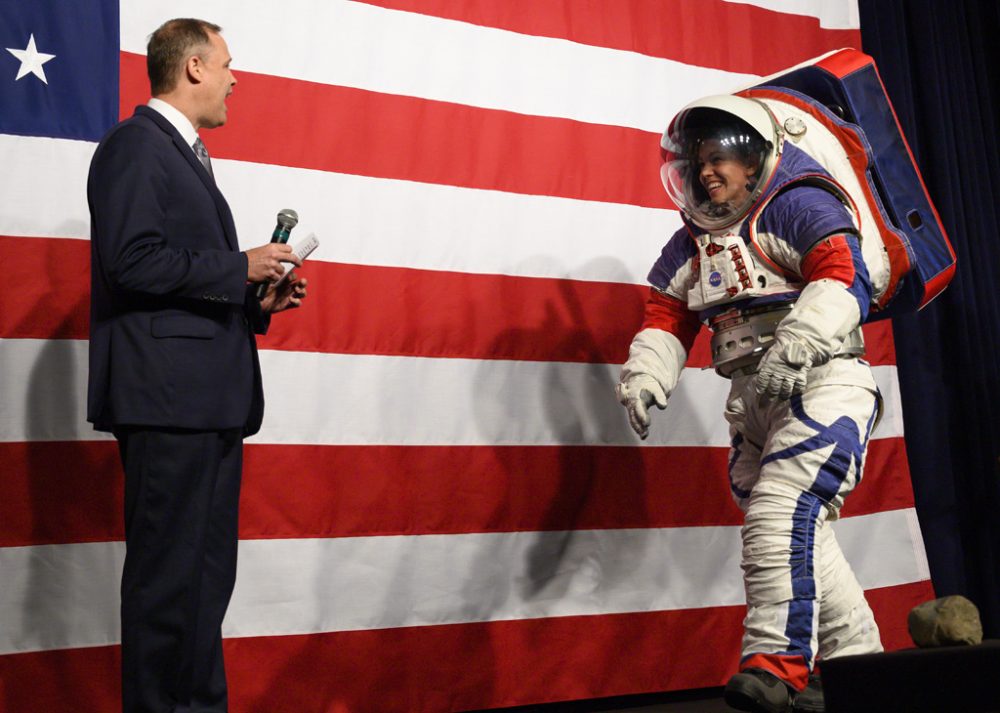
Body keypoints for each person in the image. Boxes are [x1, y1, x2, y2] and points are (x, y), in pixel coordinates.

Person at [616, 95, 883, 713]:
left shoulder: (796, 204)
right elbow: (667, 313)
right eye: (698, 163)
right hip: (752, 398)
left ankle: (776, 663)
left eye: (718, 159)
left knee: (780, 515)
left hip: (823, 380)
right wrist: (647, 375)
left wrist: (800, 340)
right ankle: (857, 669)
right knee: (799, 532)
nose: (707, 173)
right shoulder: (693, 242)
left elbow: (843, 277)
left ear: (755, 157)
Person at [87, 18, 307, 712]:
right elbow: (131, 259)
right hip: (166, 403)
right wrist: (237, 265)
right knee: (165, 588)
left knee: (204, 588)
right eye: (227, 64)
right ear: (192, 68)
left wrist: (255, 295)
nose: (235, 78)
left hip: (206, 404)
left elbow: (183, 282)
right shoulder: (135, 147)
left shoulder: (187, 156)